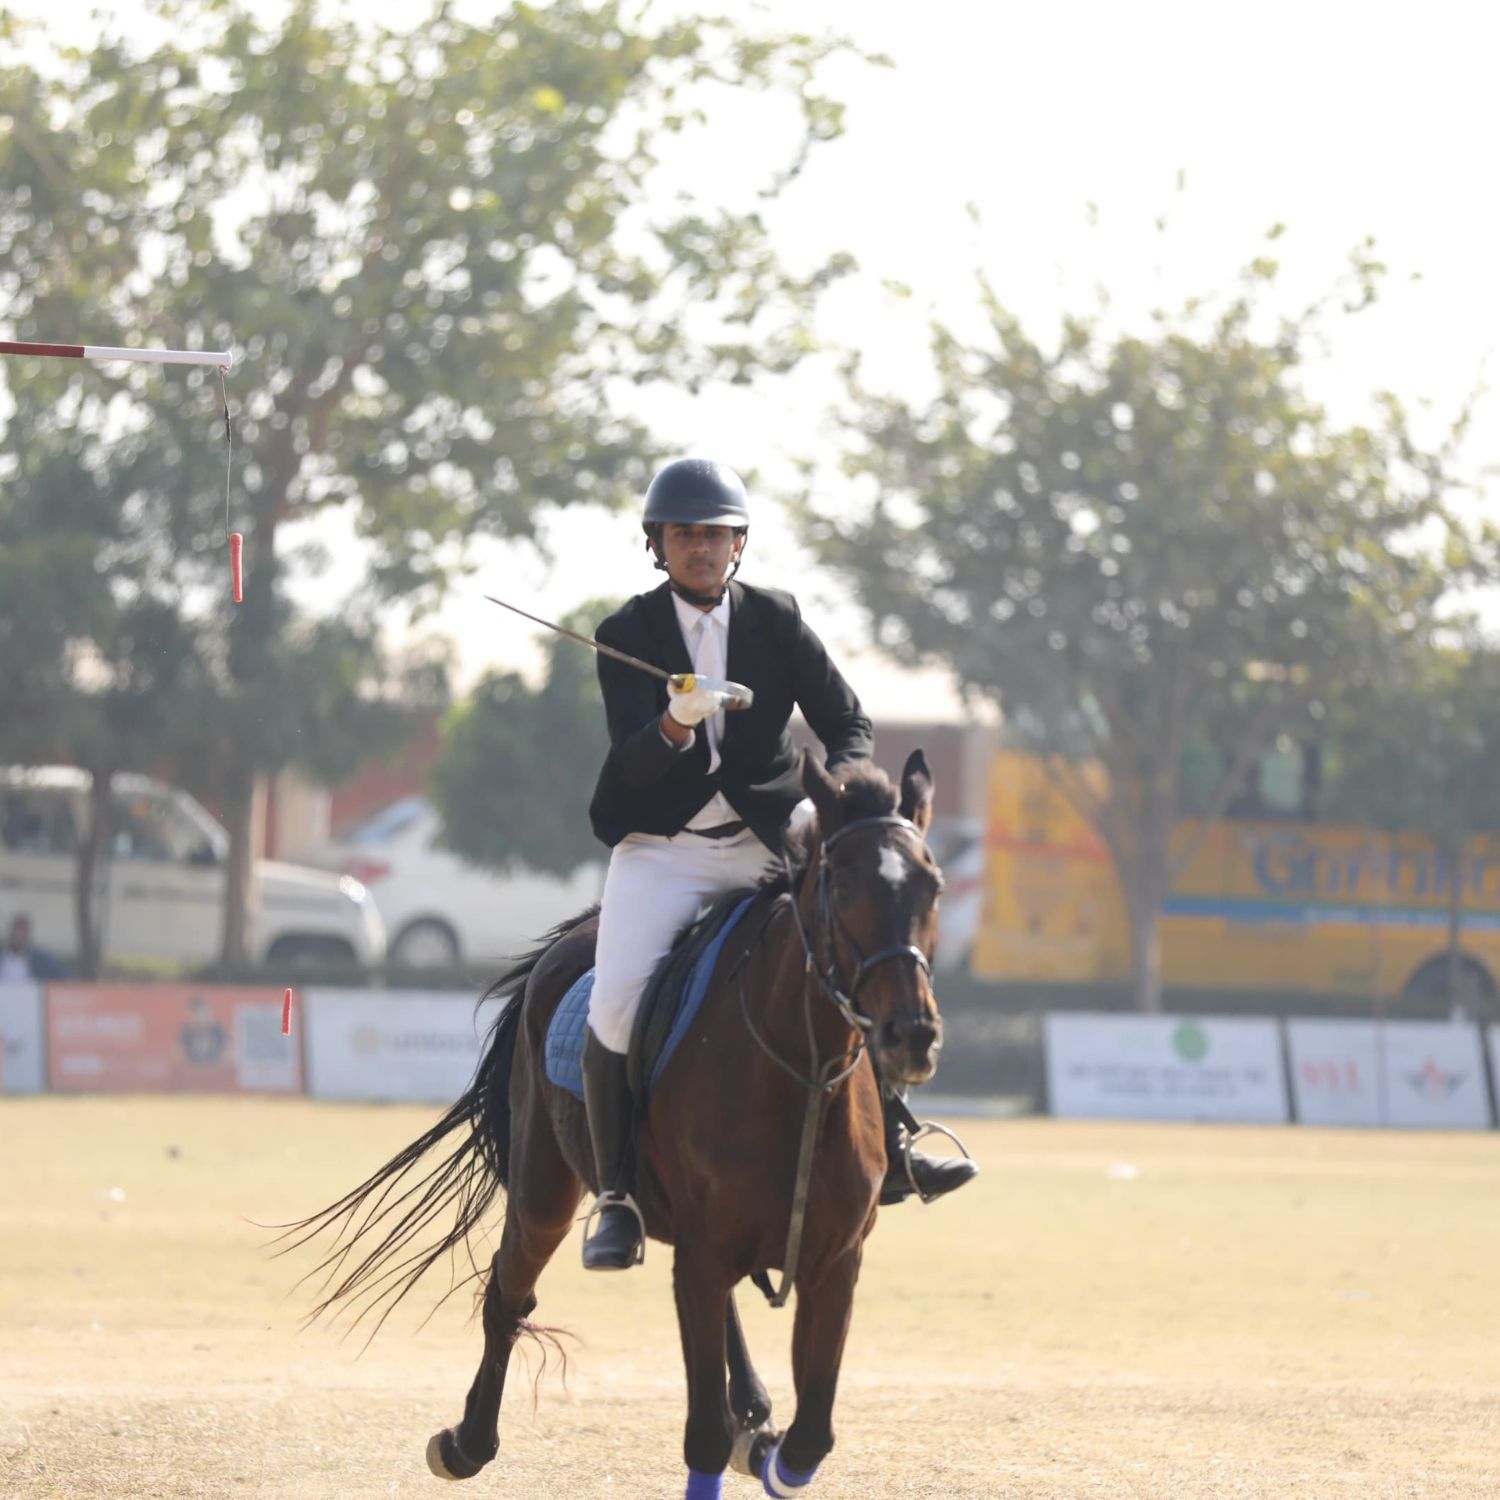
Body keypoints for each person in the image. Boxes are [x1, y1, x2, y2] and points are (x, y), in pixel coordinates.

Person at [581, 457, 976, 1271]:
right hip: (667, 847)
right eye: (685, 535)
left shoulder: (779, 620)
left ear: (738, 545)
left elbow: (847, 719)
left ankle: (895, 1140)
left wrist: (845, 793)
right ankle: (617, 1196)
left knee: (856, 953)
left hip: (773, 833)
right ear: (658, 546)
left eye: (716, 535)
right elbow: (629, 770)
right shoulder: (626, 636)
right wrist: (674, 726)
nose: (702, 548)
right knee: (616, 1005)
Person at [0, 914, 68, 982]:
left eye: (21, 932)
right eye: (16, 931)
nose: (18, 936)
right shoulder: (3, 957)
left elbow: (63, 976)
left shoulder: (41, 959)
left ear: (27, 934)